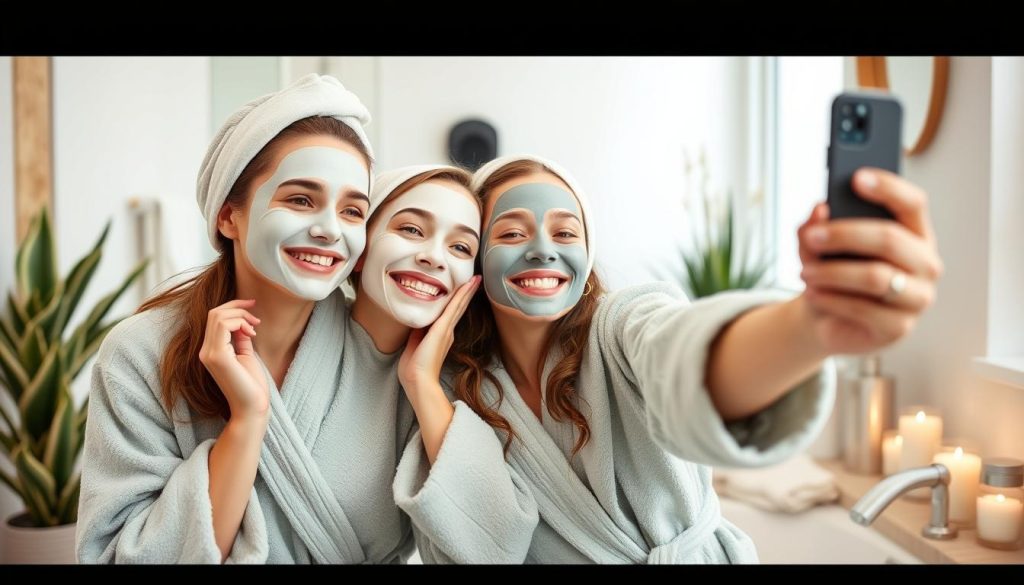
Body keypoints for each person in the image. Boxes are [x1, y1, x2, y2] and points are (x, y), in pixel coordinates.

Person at [395, 153, 943, 563]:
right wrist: (422, 383)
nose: (543, 249)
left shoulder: (621, 324)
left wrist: (809, 326)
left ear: (587, 252)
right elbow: (481, 545)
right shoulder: (461, 389)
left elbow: (681, 354)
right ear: (477, 259)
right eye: (512, 233)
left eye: (565, 232)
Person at [76, 74, 406, 563]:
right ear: (229, 216)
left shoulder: (380, 347)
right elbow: (117, 555)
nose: (329, 229)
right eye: (300, 199)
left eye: (353, 211)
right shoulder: (139, 353)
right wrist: (247, 422)